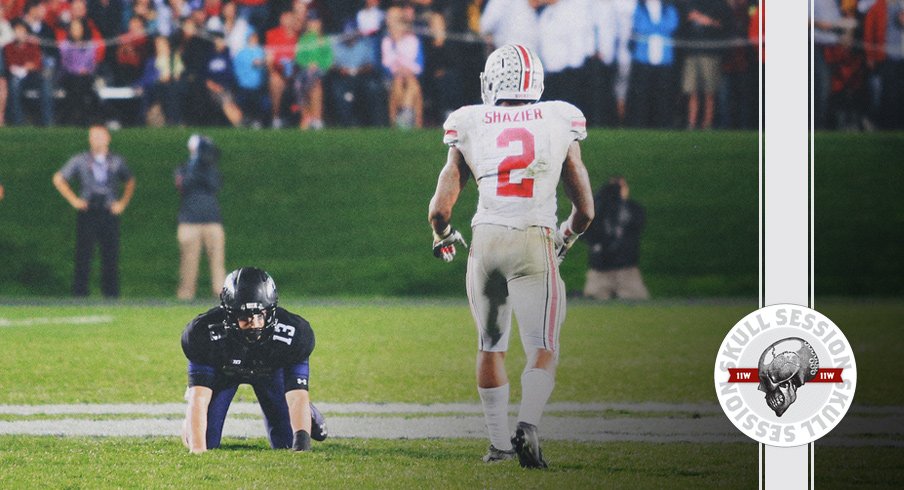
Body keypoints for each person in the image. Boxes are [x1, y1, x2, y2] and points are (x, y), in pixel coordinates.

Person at [427, 44, 594, 468]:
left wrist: (443, 234)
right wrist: (567, 237)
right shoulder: (558, 116)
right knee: (543, 346)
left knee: (490, 346)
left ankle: (499, 444)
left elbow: (440, 209)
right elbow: (585, 209)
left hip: (485, 242)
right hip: (533, 237)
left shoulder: (470, 120)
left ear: (491, 82)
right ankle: (529, 423)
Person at [180, 267, 328, 453]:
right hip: (223, 373)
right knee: (202, 441)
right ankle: (189, 424)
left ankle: (308, 412)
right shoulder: (203, 333)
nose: (254, 324)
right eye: (245, 317)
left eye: (260, 315)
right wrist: (198, 451)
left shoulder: (294, 333)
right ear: (229, 314)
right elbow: (199, 398)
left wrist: (302, 445)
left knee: (287, 443)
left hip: (271, 373)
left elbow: (297, 394)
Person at [52, 124, 136, 298]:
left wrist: (122, 203)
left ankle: (111, 294)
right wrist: (74, 200)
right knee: (84, 253)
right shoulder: (81, 160)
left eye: (100, 136)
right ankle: (80, 293)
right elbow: (59, 178)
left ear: (108, 138)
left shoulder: (116, 161)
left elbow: (129, 181)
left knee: (110, 254)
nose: (96, 140)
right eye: (93, 136)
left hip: (108, 210)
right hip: (88, 209)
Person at [175, 134, 227, 301]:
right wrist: (196, 165)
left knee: (217, 263)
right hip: (189, 221)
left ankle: (222, 296)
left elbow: (214, 185)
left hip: (212, 221)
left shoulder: (211, 169)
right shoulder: (183, 168)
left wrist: (206, 165)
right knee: (188, 264)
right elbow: (184, 185)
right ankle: (186, 295)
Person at [581, 176, 650, 300]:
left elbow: (637, 223)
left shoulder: (631, 209)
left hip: (625, 270)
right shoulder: (598, 210)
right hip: (602, 270)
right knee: (595, 305)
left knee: (637, 303)